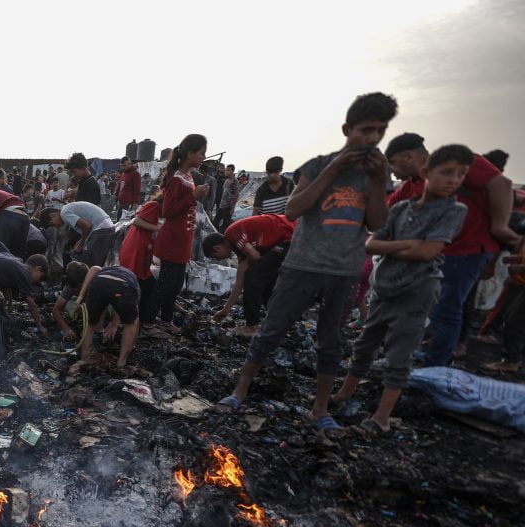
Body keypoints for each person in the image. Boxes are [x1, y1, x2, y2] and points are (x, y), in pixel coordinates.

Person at [217, 92, 397, 433]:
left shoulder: (378, 173)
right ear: (347, 129)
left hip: (344, 270)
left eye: (380, 131)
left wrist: (376, 182)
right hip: (302, 265)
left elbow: (377, 222)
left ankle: (320, 408)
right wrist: (334, 169)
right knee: (271, 329)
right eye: (366, 130)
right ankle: (239, 391)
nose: (373, 138)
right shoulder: (317, 166)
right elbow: (294, 208)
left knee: (331, 341)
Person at [331, 145, 470, 433]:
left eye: (461, 174)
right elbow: (371, 244)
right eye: (447, 172)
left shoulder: (454, 210)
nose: (453, 180)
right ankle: (343, 394)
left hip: (416, 291)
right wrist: (407, 245)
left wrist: (395, 248)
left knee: (399, 355)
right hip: (385, 288)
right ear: (426, 173)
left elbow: (427, 252)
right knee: (365, 345)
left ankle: (382, 416)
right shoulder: (402, 208)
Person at [386, 133, 520, 367]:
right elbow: (384, 214)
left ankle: (437, 363)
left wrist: (499, 225)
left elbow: (502, 184)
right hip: (439, 254)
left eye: (393, 165)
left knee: (447, 309)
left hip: (467, 250)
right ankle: (432, 351)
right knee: (433, 307)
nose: (393, 172)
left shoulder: (455, 161)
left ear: (409, 157)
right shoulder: (412, 185)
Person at [204, 214, 297, 337]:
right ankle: (280, 323)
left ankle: (252, 327)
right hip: (287, 239)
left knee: (253, 276)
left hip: (291, 235)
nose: (218, 260)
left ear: (217, 248)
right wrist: (226, 310)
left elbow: (255, 257)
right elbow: (239, 282)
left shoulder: (231, 233)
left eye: (215, 257)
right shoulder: (238, 248)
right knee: (265, 281)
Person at [153, 135, 210, 334]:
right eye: (201, 153)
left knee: (175, 285)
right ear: (190, 154)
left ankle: (165, 320)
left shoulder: (188, 176)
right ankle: (149, 322)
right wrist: (193, 196)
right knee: (166, 285)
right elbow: (168, 211)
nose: (204, 157)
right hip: (173, 241)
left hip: (182, 240)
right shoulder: (177, 178)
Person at [54, 261, 140, 368]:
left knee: (89, 325)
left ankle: (84, 359)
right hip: (120, 287)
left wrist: (114, 324)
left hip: (102, 286)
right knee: (131, 323)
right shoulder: (74, 283)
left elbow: (95, 268)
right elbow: (129, 312)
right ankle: (121, 363)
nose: (76, 290)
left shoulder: (95, 275)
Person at [118, 194, 163, 334]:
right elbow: (136, 221)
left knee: (145, 286)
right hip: (135, 252)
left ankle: (137, 320)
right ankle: (136, 321)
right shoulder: (154, 205)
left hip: (141, 253)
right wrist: (158, 228)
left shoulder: (157, 210)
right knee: (141, 286)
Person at [0, 250, 49, 334]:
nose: (38, 282)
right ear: (38, 269)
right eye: (40, 278)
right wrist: (40, 326)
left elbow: (1, 253)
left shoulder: (18, 261)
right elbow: (31, 304)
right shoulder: (25, 274)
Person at [38, 201, 115, 267]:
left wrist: (81, 244)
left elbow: (87, 226)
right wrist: (82, 240)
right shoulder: (67, 208)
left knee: (88, 263)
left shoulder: (64, 214)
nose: (56, 227)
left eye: (53, 225)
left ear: (53, 215)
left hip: (101, 228)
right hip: (107, 227)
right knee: (97, 262)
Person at [214, 164, 239, 231]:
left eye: (228, 170)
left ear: (232, 171)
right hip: (222, 205)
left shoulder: (235, 181)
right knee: (215, 222)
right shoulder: (227, 180)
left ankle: (224, 236)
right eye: (226, 170)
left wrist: (233, 207)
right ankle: (217, 234)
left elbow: (236, 195)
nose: (226, 172)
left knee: (225, 225)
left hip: (228, 206)